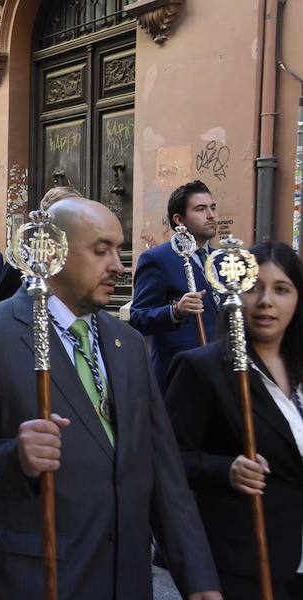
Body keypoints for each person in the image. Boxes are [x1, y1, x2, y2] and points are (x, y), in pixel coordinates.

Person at [0, 198, 222, 599]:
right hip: (33, 578)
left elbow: (164, 472)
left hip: (124, 579)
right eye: (101, 250)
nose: (118, 265)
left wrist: (199, 579)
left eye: (118, 250)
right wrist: (13, 457)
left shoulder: (129, 344)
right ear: (54, 250)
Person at [165, 241, 303, 600]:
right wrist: (226, 470)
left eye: (282, 289)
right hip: (246, 561)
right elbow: (169, 459)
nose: (266, 301)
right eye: (254, 287)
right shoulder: (204, 369)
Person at [130, 180, 220, 392]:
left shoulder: (223, 260)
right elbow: (138, 318)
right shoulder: (157, 259)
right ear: (179, 219)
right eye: (200, 209)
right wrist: (175, 311)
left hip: (220, 372)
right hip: (181, 377)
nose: (211, 215)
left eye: (212, 208)